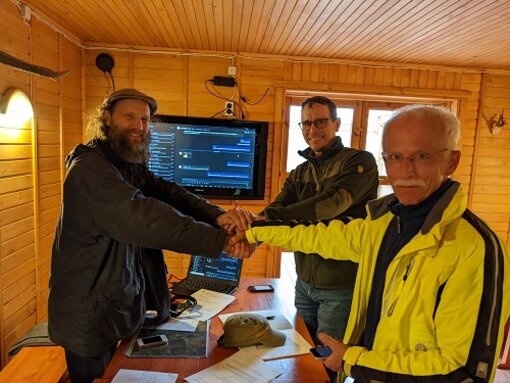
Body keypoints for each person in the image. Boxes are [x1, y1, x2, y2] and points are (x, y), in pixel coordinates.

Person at [234, 104, 510, 382]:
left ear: (452, 161)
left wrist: (353, 360)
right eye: (395, 156)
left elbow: (461, 371)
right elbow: (315, 235)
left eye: (421, 156)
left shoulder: (477, 249)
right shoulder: (383, 224)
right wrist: (252, 232)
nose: (405, 170)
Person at [48, 88, 251, 383]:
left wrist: (217, 216)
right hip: (87, 313)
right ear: (106, 119)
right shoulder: (89, 169)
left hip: (114, 304)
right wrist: (222, 241)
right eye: (130, 117)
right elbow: (144, 217)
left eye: (145, 119)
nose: (139, 126)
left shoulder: (126, 166)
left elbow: (170, 194)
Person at [259, 96, 378, 349]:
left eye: (321, 122)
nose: (312, 130)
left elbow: (330, 204)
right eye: (306, 124)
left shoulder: (359, 162)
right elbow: (276, 208)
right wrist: (254, 225)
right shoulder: (299, 172)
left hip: (341, 287)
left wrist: (256, 227)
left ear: (337, 123)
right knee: (302, 353)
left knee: (328, 362)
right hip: (303, 284)